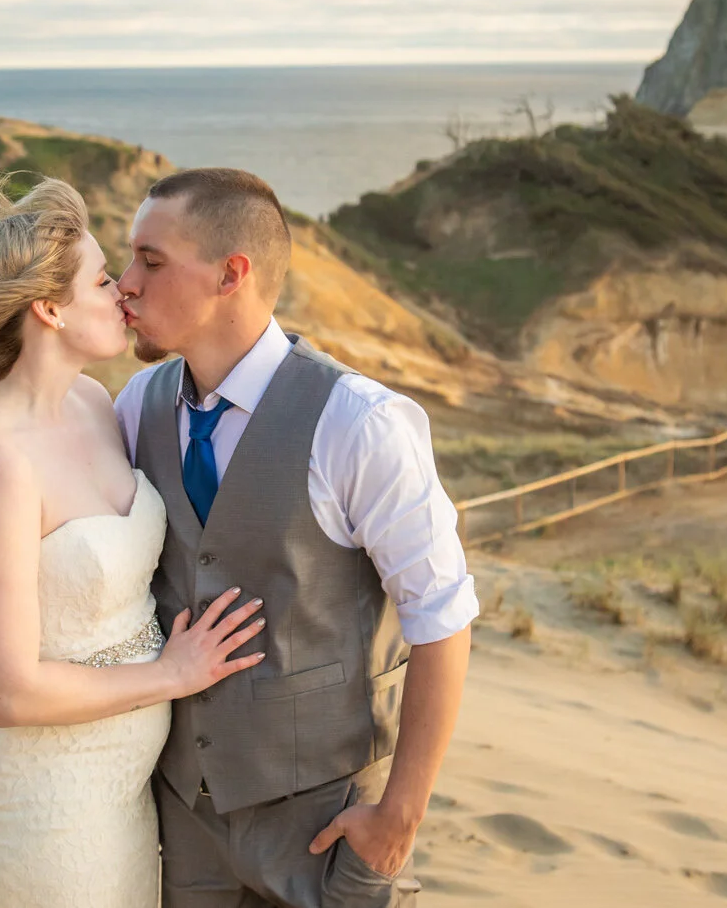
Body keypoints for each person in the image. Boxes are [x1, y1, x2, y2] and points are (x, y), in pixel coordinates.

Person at [0, 178, 267, 908]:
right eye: (106, 278)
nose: (126, 292)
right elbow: (8, 690)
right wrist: (172, 675)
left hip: (116, 792)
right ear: (48, 308)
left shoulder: (91, 403)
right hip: (35, 806)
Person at [115, 168, 478, 908]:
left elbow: (442, 614)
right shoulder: (134, 406)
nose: (125, 282)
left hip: (329, 825)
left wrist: (398, 818)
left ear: (231, 274)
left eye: (151, 261)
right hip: (186, 822)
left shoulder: (358, 421)